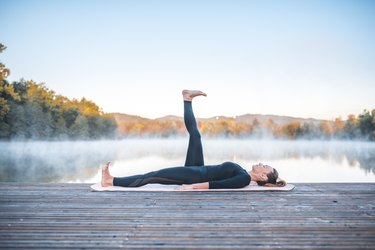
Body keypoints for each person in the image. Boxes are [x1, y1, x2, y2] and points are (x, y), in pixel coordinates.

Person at [101, 89, 286, 190]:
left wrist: (191, 187)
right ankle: (187, 99)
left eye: (265, 166)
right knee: (196, 135)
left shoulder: (244, 179)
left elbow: (215, 185)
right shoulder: (245, 174)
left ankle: (110, 181)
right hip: (198, 168)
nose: (262, 163)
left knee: (150, 176)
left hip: (193, 175)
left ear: (263, 176)